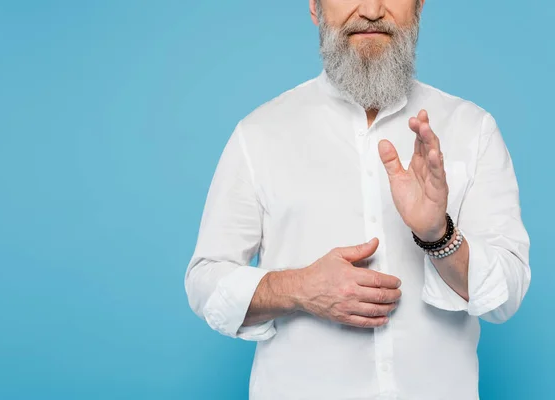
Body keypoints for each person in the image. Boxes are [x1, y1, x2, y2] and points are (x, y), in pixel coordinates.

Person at [184, 0, 531, 399]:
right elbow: (205, 283)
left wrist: (438, 235)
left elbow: (507, 295)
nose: (370, 9)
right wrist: (298, 288)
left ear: (419, 6)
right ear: (315, 8)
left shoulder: (472, 129)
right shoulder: (259, 133)